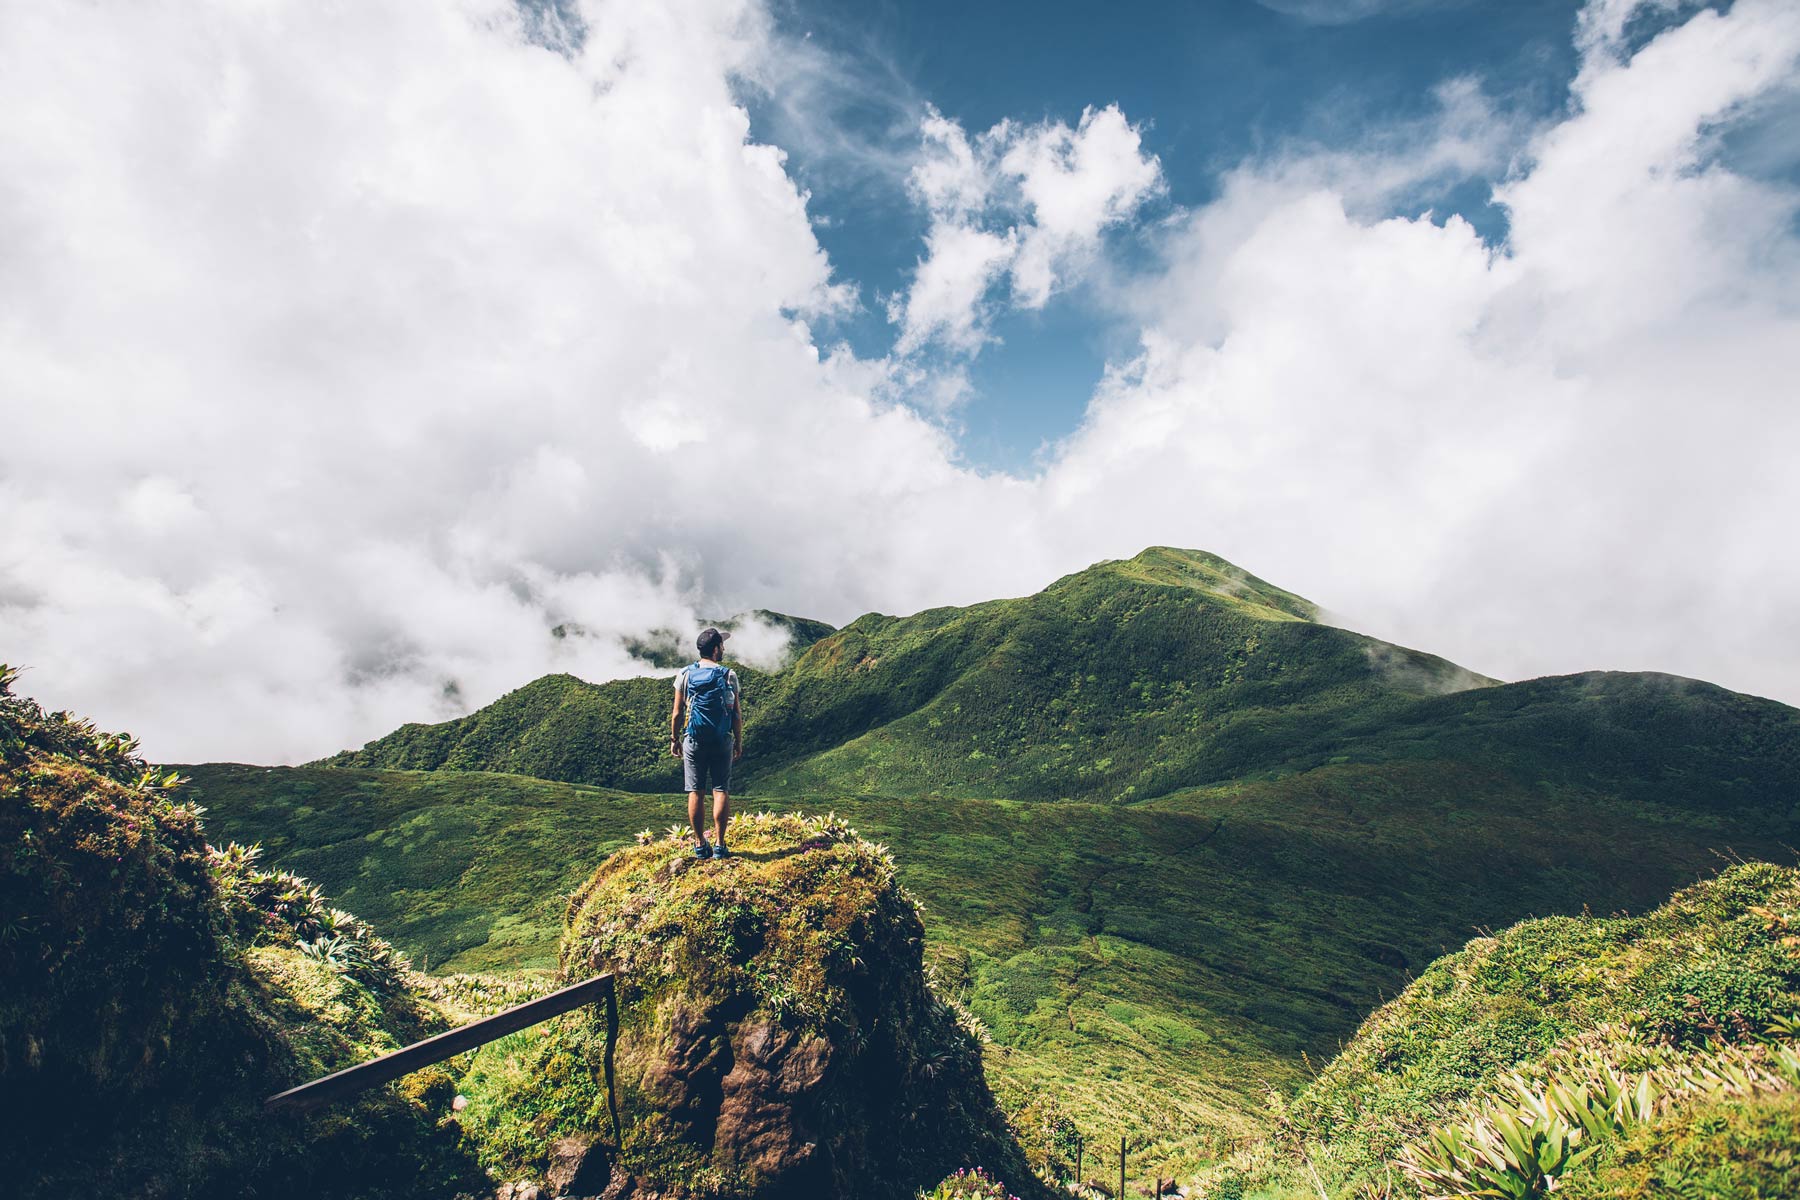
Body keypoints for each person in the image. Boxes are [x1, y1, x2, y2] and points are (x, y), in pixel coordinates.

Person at [670, 627, 743, 859]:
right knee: (721, 790)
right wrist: (738, 742)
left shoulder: (685, 674)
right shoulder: (728, 675)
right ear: (715, 650)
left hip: (694, 739)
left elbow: (677, 713)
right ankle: (720, 845)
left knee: (696, 791)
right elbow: (736, 714)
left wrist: (674, 739)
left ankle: (701, 844)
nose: (724, 648)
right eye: (722, 645)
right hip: (722, 740)